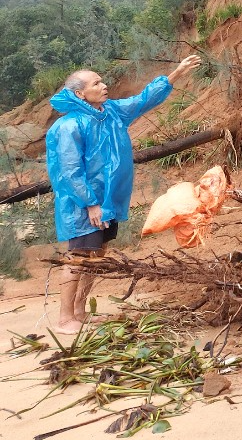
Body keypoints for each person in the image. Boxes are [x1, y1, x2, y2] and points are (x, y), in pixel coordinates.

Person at [44, 54, 201, 334]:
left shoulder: (112, 112)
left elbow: (143, 100)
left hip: (107, 202)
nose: (104, 85)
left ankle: (80, 311)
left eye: (102, 80)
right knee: (77, 257)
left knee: (97, 254)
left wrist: (175, 74)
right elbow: (68, 171)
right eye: (96, 83)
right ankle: (65, 318)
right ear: (80, 93)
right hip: (83, 205)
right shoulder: (68, 126)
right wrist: (90, 203)